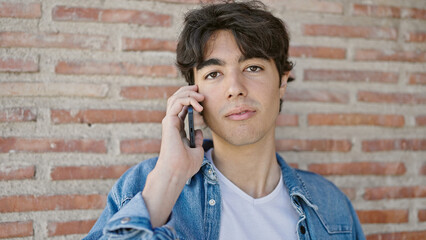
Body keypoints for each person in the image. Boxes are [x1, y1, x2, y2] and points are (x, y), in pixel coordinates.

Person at [84, 1, 365, 239]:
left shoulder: (330, 206)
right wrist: (170, 177)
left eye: (252, 67)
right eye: (213, 74)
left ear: (282, 82)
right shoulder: (142, 186)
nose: (235, 88)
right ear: (193, 93)